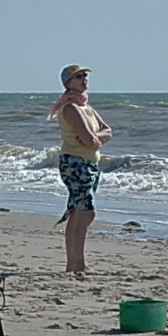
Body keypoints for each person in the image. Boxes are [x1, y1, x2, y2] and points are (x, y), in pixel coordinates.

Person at [48, 65, 113, 274]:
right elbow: (88, 141)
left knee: (79, 212)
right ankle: (76, 263)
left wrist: (97, 139)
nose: (84, 79)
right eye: (78, 77)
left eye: (85, 76)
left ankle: (75, 264)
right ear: (68, 82)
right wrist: (94, 140)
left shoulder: (86, 106)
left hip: (89, 163)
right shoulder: (70, 108)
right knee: (85, 212)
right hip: (75, 163)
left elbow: (107, 132)